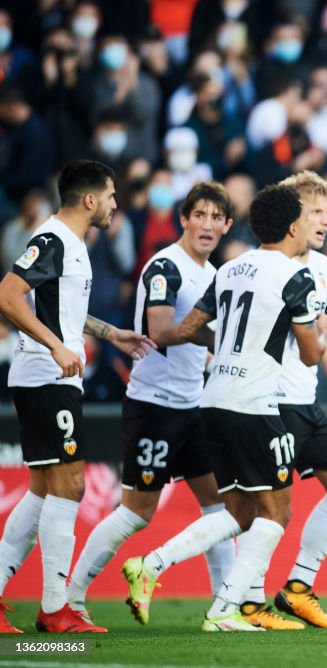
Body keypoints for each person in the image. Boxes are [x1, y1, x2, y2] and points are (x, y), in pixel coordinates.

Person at [120, 184, 327, 632]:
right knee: (277, 513)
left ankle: (153, 565)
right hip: (254, 402)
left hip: (211, 398)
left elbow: (188, 328)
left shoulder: (230, 269)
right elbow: (312, 355)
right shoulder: (298, 277)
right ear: (294, 226)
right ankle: (224, 608)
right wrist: (322, 333)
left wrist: (232, 344)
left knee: (238, 512)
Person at [66, 182, 236, 621]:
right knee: (136, 513)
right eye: (200, 214)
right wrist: (221, 337)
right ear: (184, 219)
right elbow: (159, 330)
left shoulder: (213, 275)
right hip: (154, 407)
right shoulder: (166, 266)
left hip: (193, 405)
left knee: (221, 506)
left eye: (217, 217)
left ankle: (227, 606)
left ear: (227, 225)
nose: (207, 224)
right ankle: (72, 599)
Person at [0, 160, 155, 633]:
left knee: (45, 489)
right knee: (70, 488)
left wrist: (111, 334)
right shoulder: (52, 240)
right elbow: (8, 294)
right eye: (110, 195)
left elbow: (63, 311)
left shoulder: (73, 245)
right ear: (89, 199)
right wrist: (55, 345)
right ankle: (54, 608)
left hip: (49, 374)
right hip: (47, 376)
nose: (114, 203)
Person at [239, 171, 327, 630]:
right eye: (316, 211)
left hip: (305, 400)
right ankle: (250, 605)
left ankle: (297, 589)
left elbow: (324, 334)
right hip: (268, 400)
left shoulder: (323, 266)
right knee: (267, 508)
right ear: (292, 216)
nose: (325, 220)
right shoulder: (266, 264)